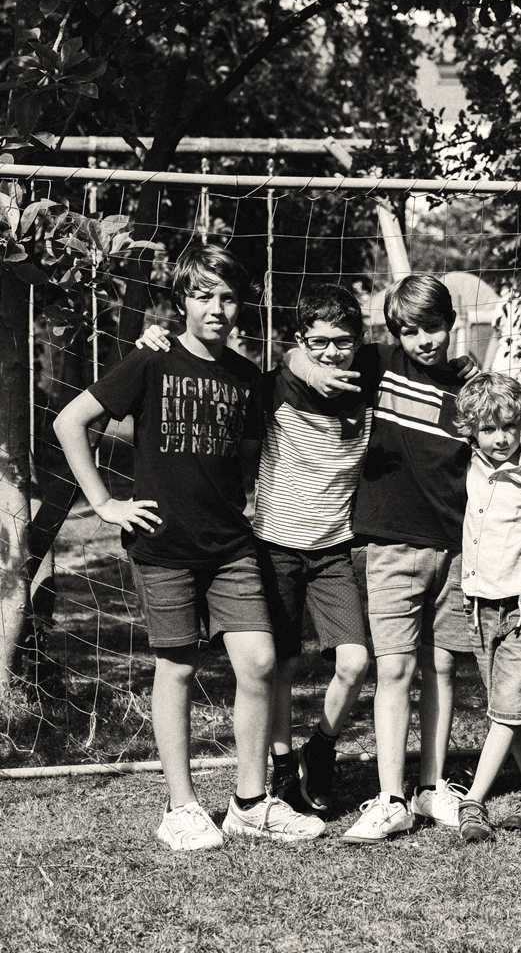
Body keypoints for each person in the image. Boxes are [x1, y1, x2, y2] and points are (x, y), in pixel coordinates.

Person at [54, 243, 325, 850]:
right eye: (203, 295)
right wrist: (103, 503)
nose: (216, 308)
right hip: (163, 546)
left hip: (232, 546)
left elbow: (251, 458)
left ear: (242, 306)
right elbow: (70, 422)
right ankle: (181, 806)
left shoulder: (246, 377)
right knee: (176, 667)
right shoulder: (150, 361)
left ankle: (250, 802)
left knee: (258, 661)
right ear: (182, 302)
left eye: (228, 297)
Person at [292, 275, 521, 844]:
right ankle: (390, 797)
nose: (423, 340)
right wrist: (315, 368)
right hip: (390, 545)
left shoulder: (469, 386)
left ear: (453, 323)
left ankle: (431, 785)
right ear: (395, 332)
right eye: (409, 330)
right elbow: (304, 351)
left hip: (457, 551)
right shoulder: (378, 364)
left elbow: (506, 426)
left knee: (442, 667)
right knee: (393, 668)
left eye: (433, 327)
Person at [136, 283, 376, 817]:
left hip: (333, 550)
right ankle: (284, 764)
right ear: (299, 341)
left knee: (356, 662)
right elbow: (284, 366)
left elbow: (422, 361)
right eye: (318, 342)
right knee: (278, 667)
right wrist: (306, 365)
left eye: (343, 341)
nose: (331, 352)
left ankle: (321, 748)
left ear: (360, 341)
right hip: (274, 546)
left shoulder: (371, 382)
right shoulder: (273, 387)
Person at [453, 372, 521, 842]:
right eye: (488, 428)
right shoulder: (464, 468)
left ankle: (473, 801)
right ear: (471, 431)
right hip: (479, 611)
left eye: (510, 426)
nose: (501, 438)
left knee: (505, 708)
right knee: (508, 710)